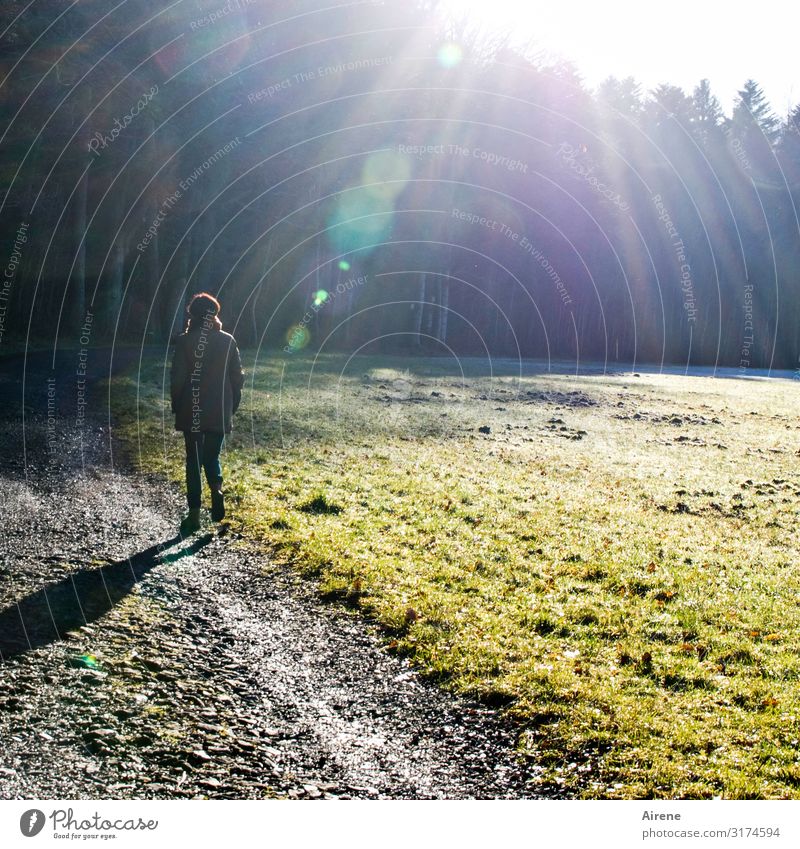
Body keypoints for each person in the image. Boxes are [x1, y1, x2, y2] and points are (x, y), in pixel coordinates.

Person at [170, 292, 244, 536]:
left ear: (192, 315)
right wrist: (231, 406)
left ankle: (193, 515)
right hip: (220, 407)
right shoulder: (228, 340)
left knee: (194, 459)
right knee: (211, 456)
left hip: (192, 409)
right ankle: (217, 490)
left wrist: (176, 404)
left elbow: (178, 379)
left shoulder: (184, 342)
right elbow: (237, 378)